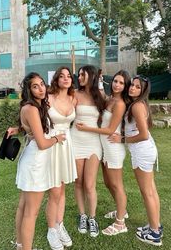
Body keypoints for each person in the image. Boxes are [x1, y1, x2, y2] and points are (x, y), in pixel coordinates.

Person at [9, 72, 66, 250]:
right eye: (35, 86)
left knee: (24, 207)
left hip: (33, 160)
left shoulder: (32, 107)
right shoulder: (32, 108)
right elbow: (42, 143)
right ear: (29, 89)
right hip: (35, 163)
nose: (41, 89)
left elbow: (32, 129)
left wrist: (19, 128)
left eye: (42, 84)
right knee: (30, 213)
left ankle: (20, 245)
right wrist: (58, 138)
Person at [76, 70, 131, 236]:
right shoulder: (110, 99)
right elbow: (99, 96)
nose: (117, 85)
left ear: (125, 86)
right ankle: (122, 210)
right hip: (104, 147)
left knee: (117, 185)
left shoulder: (120, 103)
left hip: (112, 147)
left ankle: (120, 223)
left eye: (121, 83)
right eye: (115, 81)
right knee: (108, 183)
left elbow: (109, 129)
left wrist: (87, 128)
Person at [111, 75, 163, 246]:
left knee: (147, 192)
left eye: (137, 87)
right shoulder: (138, 104)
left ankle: (154, 233)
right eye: (132, 85)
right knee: (151, 191)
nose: (132, 88)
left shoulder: (137, 106)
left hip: (142, 151)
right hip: (146, 151)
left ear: (143, 91)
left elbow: (143, 134)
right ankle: (155, 226)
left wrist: (123, 139)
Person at [70, 65, 105, 237]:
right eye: (79, 74)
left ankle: (92, 218)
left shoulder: (100, 96)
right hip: (76, 141)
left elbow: (111, 114)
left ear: (91, 76)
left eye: (83, 74)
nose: (80, 77)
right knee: (78, 182)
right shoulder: (75, 94)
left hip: (93, 143)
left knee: (90, 185)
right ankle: (82, 215)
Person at [46, 66, 77, 250]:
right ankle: (51, 229)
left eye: (68, 76)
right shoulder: (48, 98)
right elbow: (34, 116)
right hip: (52, 144)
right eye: (62, 76)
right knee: (55, 192)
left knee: (63, 188)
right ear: (56, 79)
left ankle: (59, 224)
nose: (65, 79)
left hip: (67, 145)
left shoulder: (74, 98)